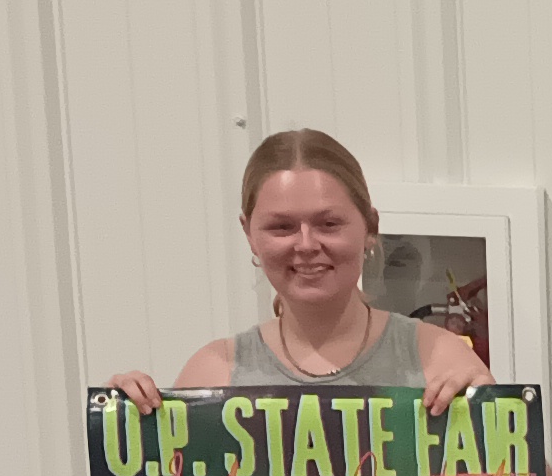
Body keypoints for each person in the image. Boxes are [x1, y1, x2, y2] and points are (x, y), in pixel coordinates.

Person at [109, 126, 490, 413]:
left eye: (329, 224)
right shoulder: (213, 374)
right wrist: (129, 422)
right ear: (249, 234)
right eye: (282, 227)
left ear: (370, 227)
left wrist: (495, 412)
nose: (306, 244)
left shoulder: (438, 357)